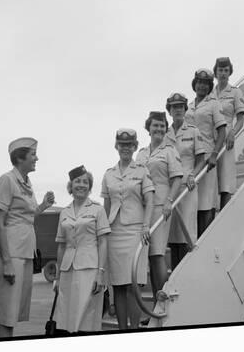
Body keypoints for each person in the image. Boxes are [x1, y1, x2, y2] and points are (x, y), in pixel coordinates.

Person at [0, 137, 55, 338]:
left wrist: (44, 206)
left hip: (24, 253)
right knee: (6, 315)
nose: (36, 158)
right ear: (20, 157)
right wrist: (6, 262)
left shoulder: (26, 183)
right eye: (33, 155)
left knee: (12, 315)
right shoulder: (7, 180)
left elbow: (28, 217)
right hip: (12, 254)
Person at [101, 128, 155, 330]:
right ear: (117, 146)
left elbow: (150, 201)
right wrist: (103, 232)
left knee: (134, 285)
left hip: (135, 232)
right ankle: (122, 330)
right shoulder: (109, 174)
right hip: (114, 233)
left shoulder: (141, 170)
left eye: (129, 145)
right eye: (122, 145)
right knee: (119, 286)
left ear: (134, 147)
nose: (125, 148)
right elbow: (106, 206)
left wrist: (146, 225)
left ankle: (134, 329)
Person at [53, 165, 111, 333]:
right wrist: (57, 277)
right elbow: (61, 245)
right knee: (66, 316)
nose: (81, 185)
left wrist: (101, 272)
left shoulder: (97, 209)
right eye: (77, 181)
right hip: (67, 270)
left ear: (90, 187)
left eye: (85, 182)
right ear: (70, 186)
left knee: (87, 317)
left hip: (89, 269)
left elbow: (103, 242)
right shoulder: (64, 212)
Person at [135, 112, 183, 296]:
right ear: (148, 128)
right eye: (155, 126)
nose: (159, 129)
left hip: (159, 206)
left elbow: (177, 178)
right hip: (141, 208)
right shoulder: (141, 153)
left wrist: (169, 201)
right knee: (147, 256)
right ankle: (156, 304)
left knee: (157, 254)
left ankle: (163, 301)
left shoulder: (170, 150)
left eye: (162, 126)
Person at [164, 93, 207, 269]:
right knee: (172, 232)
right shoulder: (165, 134)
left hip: (187, 187)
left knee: (186, 230)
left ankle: (188, 269)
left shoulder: (193, 131)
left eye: (180, 106)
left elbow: (201, 159)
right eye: (174, 107)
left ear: (184, 108)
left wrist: (193, 176)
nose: (178, 110)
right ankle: (175, 270)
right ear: (169, 110)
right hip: (169, 188)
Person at [185, 69, 227, 238]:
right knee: (191, 200)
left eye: (205, 83)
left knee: (206, 200)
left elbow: (222, 131)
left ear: (210, 86)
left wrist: (215, 154)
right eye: (199, 82)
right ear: (194, 84)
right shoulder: (188, 107)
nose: (201, 85)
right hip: (190, 158)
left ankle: (206, 238)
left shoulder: (214, 104)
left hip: (207, 157)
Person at [213, 57, 244, 210]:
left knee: (225, 180)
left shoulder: (235, 92)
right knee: (211, 179)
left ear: (230, 72)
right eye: (220, 70)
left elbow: (240, 119)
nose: (223, 73)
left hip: (226, 137)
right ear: (216, 72)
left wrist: (233, 133)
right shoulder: (210, 93)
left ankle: (223, 214)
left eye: (226, 70)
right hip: (210, 137)